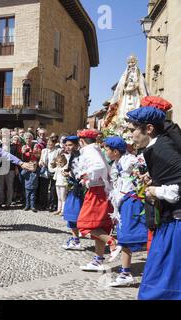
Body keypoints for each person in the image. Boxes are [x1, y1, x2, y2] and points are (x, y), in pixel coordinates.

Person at [125, 106, 181, 300]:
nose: (131, 135)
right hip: (170, 222)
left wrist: (155, 190)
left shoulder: (162, 149)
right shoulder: (158, 146)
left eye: (133, 129)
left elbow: (178, 189)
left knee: (163, 279)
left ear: (148, 129)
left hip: (176, 224)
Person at [103, 136, 148, 287]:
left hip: (132, 201)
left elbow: (142, 166)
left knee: (129, 237)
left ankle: (128, 273)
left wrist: (140, 175)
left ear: (115, 151)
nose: (105, 151)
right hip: (122, 201)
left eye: (107, 149)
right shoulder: (116, 162)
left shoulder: (130, 160)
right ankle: (126, 273)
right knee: (125, 237)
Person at [77, 129, 121, 271]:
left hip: (97, 191)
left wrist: (85, 176)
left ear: (82, 141)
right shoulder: (95, 149)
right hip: (103, 191)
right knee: (99, 227)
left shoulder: (88, 150)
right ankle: (98, 260)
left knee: (84, 224)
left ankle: (112, 242)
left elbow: (99, 167)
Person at [61, 136, 85, 251]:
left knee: (73, 215)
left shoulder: (80, 156)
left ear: (76, 145)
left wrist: (69, 175)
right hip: (74, 188)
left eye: (70, 145)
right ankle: (75, 240)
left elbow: (80, 174)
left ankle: (76, 241)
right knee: (71, 215)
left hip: (79, 190)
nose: (68, 147)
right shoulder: (73, 155)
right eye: (66, 145)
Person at [38, 137, 60, 211]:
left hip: (53, 171)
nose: (49, 144)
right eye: (48, 143)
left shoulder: (57, 151)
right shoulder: (44, 151)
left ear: (54, 144)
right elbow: (41, 159)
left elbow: (60, 161)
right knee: (43, 189)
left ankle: (52, 205)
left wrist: (55, 164)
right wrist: (40, 163)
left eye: (51, 143)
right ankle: (43, 204)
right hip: (44, 171)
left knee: (53, 189)